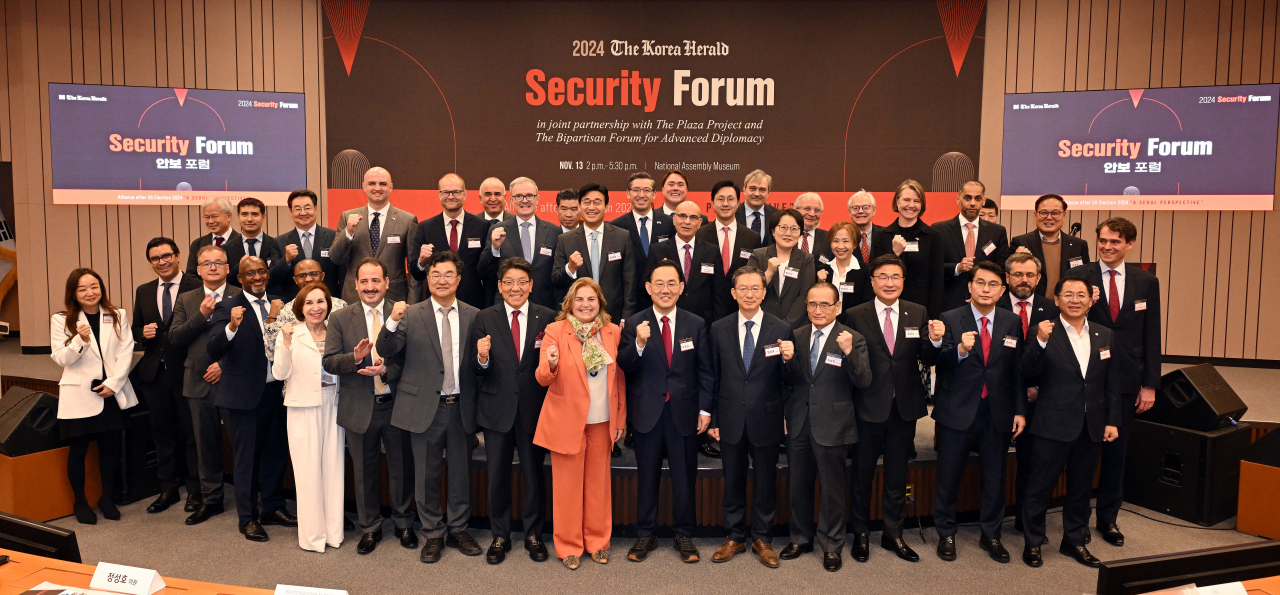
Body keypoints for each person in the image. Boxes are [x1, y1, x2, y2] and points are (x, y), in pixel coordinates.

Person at [378, 250, 482, 563]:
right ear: (428, 278)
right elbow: (387, 349)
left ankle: (459, 528)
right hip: (424, 407)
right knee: (426, 474)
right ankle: (433, 533)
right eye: (435, 274)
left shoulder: (475, 315)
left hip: (461, 406)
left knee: (461, 473)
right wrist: (392, 321)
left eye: (448, 274)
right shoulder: (410, 314)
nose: (441, 280)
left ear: (458, 279)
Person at [843, 255, 944, 563]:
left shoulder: (918, 311)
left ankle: (893, 535)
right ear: (872, 282)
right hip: (866, 408)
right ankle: (860, 534)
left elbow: (926, 357)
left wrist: (937, 342)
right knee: (861, 475)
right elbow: (850, 364)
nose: (889, 283)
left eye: (895, 277)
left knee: (898, 476)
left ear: (903, 281)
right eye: (883, 277)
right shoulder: (854, 314)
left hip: (904, 407)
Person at [1020, 275, 1121, 569]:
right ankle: (1034, 542)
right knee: (1039, 487)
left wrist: (1112, 420)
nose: (1074, 300)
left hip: (1091, 425)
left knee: (1080, 488)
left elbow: (1111, 383)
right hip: (1052, 424)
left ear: (1091, 300)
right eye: (1068, 295)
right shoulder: (1044, 331)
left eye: (1081, 295)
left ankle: (1074, 540)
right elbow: (1027, 370)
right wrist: (1039, 341)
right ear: (1056, 299)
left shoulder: (1104, 334)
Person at [617, 260, 713, 564]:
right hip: (647, 413)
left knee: (685, 477)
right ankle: (645, 533)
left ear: (682, 288)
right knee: (647, 477)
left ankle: (684, 534)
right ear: (648, 288)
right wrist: (640, 344)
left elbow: (706, 372)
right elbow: (625, 365)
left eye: (672, 283)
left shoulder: (696, 323)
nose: (665, 290)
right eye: (659, 283)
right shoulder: (634, 323)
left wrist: (705, 409)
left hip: (684, 414)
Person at [932, 261, 1025, 563]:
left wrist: (1020, 411)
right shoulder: (950, 317)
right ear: (969, 287)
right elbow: (938, 363)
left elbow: (1016, 371)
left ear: (1002, 289)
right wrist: (958, 351)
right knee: (948, 475)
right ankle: (946, 533)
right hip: (956, 410)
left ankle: (992, 535)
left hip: (996, 411)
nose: (986, 289)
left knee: (995, 477)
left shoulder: (1012, 322)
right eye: (980, 283)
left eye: (993, 285)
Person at [321, 258, 416, 554]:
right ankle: (370, 528)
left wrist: (386, 372)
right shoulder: (339, 318)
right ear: (356, 284)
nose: (370, 287)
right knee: (364, 471)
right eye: (364, 281)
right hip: (359, 407)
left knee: (402, 468)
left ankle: (403, 524)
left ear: (387, 283)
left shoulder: (404, 315)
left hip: (395, 403)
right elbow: (329, 362)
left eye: (376, 280)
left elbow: (411, 360)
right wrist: (357, 358)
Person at [707, 266, 799, 568]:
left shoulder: (781, 329)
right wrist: (715, 419)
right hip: (730, 417)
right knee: (731, 480)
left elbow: (789, 381)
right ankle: (733, 536)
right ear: (733, 293)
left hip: (767, 417)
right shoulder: (718, 328)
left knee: (765, 480)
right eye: (742, 288)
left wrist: (789, 360)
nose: (749, 294)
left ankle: (762, 537)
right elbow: (713, 376)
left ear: (764, 291)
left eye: (755, 288)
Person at [1078, 217, 1161, 548]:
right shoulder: (1081, 276)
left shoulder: (1146, 281)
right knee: (1085, 453)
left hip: (1128, 378)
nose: (1107, 247)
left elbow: (1151, 334)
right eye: (1103, 241)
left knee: (1116, 454)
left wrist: (1150, 383)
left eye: (1115, 241)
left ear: (1129, 244)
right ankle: (1078, 519)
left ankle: (1108, 519)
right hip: (1088, 378)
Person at [534, 278, 627, 570]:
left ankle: (598, 542)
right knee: (567, 487)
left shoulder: (612, 332)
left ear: (600, 302)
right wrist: (549, 364)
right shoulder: (555, 331)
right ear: (569, 304)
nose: (585, 305)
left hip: (602, 420)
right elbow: (542, 378)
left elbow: (619, 379)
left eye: (591, 299)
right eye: (579, 299)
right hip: (566, 420)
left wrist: (620, 418)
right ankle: (569, 546)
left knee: (598, 487)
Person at [780, 283, 871, 572]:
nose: (818, 310)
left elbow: (864, 381)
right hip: (799, 422)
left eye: (825, 305)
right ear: (806, 306)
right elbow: (789, 381)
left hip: (834, 424)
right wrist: (787, 360)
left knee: (832, 489)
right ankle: (800, 537)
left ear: (837, 306)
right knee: (799, 484)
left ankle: (832, 545)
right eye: (812, 304)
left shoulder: (852, 339)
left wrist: (849, 353)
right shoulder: (796, 335)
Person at [470, 257, 555, 564]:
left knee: (534, 476)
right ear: (500, 286)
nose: (516, 288)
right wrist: (482, 358)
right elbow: (477, 369)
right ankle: (500, 536)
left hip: (534, 409)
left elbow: (548, 365)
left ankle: (534, 536)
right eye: (509, 282)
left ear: (531, 285)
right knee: (497, 477)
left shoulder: (547, 317)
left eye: (522, 282)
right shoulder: (484, 317)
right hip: (497, 409)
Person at [206, 256, 295, 541]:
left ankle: (273, 507)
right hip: (242, 398)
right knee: (246, 460)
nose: (257, 277)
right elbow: (213, 348)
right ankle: (247, 517)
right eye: (250, 273)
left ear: (268, 274)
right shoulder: (228, 307)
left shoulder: (281, 304)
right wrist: (231, 328)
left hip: (277, 394)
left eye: (261, 272)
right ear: (240, 278)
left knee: (275, 454)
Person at [51, 268, 138, 525]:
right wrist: (80, 340)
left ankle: (107, 499)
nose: (90, 292)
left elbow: (126, 350)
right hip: (79, 394)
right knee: (78, 450)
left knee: (109, 449)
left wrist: (114, 383)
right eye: (82, 289)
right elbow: (60, 358)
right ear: (74, 294)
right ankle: (80, 501)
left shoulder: (117, 314)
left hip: (108, 391)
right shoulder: (62, 319)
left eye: (94, 286)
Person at [168, 245, 240, 525]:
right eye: (206, 263)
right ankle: (212, 500)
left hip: (233, 380)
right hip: (197, 382)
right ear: (197, 269)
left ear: (227, 267)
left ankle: (248, 498)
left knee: (240, 443)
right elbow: (174, 338)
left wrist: (225, 365)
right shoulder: (187, 298)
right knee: (205, 444)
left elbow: (252, 338)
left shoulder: (240, 294)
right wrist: (200, 315)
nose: (212, 267)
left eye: (218, 262)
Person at [130, 237, 202, 514]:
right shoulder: (144, 290)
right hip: (155, 374)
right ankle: (168, 489)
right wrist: (142, 334)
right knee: (162, 435)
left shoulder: (196, 286)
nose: (162, 262)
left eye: (166, 256)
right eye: (155, 258)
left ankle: (195, 491)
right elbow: (136, 329)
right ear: (150, 263)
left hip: (187, 372)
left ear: (178, 256)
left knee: (191, 434)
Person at [272, 283, 344, 553]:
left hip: (333, 405)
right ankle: (312, 537)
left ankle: (333, 533)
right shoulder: (290, 333)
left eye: (321, 302)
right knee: (308, 473)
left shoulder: (335, 331)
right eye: (309, 303)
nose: (316, 308)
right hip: (303, 408)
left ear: (328, 304)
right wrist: (287, 343)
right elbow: (280, 374)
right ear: (300, 308)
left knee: (333, 469)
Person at [997, 252, 1060, 534]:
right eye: (1018, 275)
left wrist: (1038, 387)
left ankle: (1026, 521)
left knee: (1031, 462)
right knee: (994, 462)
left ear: (1038, 278)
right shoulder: (989, 302)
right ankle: (993, 524)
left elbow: (1060, 357)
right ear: (1007, 277)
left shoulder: (1052, 309)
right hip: (997, 395)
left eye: (1030, 275)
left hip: (1037, 398)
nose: (1024, 280)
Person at [330, 166, 421, 304]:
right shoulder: (347, 217)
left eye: (383, 184)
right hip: (355, 298)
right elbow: (336, 258)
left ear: (390, 187)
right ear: (364, 187)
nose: (377, 188)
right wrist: (348, 233)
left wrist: (413, 304)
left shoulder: (407, 220)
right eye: (372, 183)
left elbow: (413, 268)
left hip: (394, 298)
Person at [552, 183, 636, 322]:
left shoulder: (622, 237)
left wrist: (626, 318)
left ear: (606, 207)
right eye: (586, 202)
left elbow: (630, 282)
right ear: (579, 206)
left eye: (597, 202)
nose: (591, 207)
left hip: (613, 316)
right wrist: (570, 268)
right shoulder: (565, 240)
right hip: (578, 316)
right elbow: (556, 280)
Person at [480, 177, 562, 310]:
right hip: (507, 305)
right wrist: (494, 248)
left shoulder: (554, 231)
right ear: (511, 200)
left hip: (544, 306)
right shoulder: (497, 230)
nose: (524, 200)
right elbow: (484, 271)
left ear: (537, 199)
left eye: (529, 195)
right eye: (519, 196)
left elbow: (558, 275)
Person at [410, 173, 488, 307]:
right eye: (446, 192)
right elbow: (416, 274)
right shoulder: (425, 227)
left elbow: (486, 269)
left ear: (465, 194)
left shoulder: (482, 226)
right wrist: (421, 262)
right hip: (437, 303)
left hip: (473, 303)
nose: (451, 196)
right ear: (439, 194)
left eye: (456, 192)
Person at [645, 200, 726, 324]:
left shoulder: (711, 251)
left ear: (699, 223)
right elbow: (645, 286)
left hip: (704, 322)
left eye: (693, 217)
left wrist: (719, 326)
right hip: (668, 320)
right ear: (674, 219)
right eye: (682, 216)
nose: (687, 222)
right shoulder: (658, 250)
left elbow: (720, 293)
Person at [933, 180, 1009, 312]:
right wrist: (957, 267)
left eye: (977, 198)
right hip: (949, 304)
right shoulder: (939, 230)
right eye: (967, 198)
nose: (972, 203)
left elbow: (1002, 268)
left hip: (986, 303)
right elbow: (933, 267)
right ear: (958, 199)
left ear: (983, 201)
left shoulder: (997, 232)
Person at [697, 179, 761, 323]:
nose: (725, 204)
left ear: (738, 203)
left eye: (731, 199)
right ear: (712, 203)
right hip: (707, 312)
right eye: (720, 199)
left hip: (741, 311)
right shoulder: (699, 235)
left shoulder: (752, 237)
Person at [877, 180, 943, 317]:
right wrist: (894, 253)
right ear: (897, 202)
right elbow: (877, 273)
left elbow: (937, 280)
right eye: (906, 200)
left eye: (916, 201)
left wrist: (933, 316)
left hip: (921, 307)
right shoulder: (882, 235)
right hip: (888, 305)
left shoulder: (933, 236)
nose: (911, 205)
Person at [611, 172, 673, 312]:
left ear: (654, 194)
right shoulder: (616, 226)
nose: (641, 195)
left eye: (646, 190)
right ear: (628, 193)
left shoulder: (668, 223)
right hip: (629, 301)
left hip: (663, 298)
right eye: (636, 190)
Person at [265, 259, 348, 363]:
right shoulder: (287, 311)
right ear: (295, 280)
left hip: (335, 370)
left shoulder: (340, 306)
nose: (308, 279)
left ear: (322, 276)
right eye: (302, 275)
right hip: (299, 371)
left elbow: (349, 344)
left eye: (313, 274)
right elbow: (272, 354)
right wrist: (272, 319)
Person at [747, 208, 815, 328]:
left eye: (794, 229)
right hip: (761, 324)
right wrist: (769, 272)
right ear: (773, 231)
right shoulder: (758, 255)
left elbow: (805, 296)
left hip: (795, 326)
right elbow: (750, 290)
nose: (788, 233)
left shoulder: (806, 259)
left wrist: (786, 324)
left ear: (800, 233)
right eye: (783, 227)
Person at [1010, 194, 1090, 297]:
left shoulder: (1079, 245)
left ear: (1064, 215)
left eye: (1055, 213)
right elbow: (1010, 277)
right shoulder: (1021, 243)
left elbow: (1086, 279)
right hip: (1033, 306)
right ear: (1035, 214)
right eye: (1043, 213)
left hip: (1068, 306)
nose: (1049, 217)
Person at [271, 189, 343, 299]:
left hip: (328, 301)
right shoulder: (279, 242)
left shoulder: (334, 236)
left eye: (307, 208)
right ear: (291, 212)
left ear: (315, 209)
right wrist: (286, 260)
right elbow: (274, 277)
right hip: (294, 303)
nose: (303, 213)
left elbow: (343, 273)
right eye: (297, 209)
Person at [228, 197, 284, 288]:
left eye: (255, 214)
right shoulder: (227, 248)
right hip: (239, 299)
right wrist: (240, 266)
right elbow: (227, 280)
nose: (249, 219)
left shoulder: (276, 244)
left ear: (263, 217)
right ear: (238, 217)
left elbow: (279, 277)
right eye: (244, 214)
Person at [817, 221, 871, 312]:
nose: (840, 246)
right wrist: (819, 283)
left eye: (846, 241)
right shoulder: (821, 270)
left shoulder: (866, 271)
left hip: (853, 323)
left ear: (855, 244)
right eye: (836, 241)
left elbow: (867, 303)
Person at [184, 197, 241, 277]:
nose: (210, 221)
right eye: (207, 217)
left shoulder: (241, 242)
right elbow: (191, 276)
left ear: (229, 216)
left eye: (214, 216)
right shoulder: (198, 244)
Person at [736, 169, 777, 246]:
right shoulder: (732, 214)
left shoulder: (778, 216)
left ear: (768, 192)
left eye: (762, 190)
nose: (757, 194)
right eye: (753, 188)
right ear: (744, 189)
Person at [847, 189, 885, 268]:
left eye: (865, 207)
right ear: (849, 212)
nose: (860, 211)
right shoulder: (843, 235)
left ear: (874, 210)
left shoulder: (885, 234)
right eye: (856, 208)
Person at [794, 192, 831, 262]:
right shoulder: (785, 236)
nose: (812, 214)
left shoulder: (829, 238)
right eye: (807, 209)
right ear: (796, 210)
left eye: (816, 210)